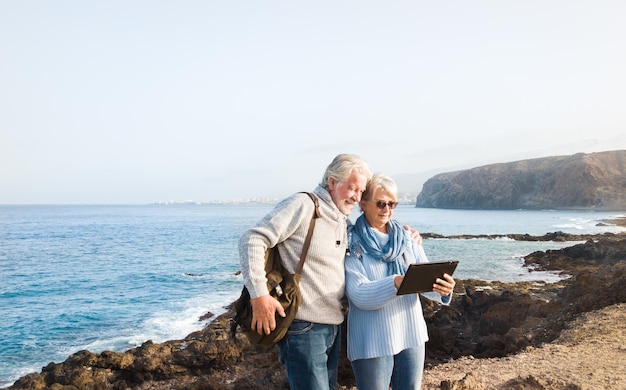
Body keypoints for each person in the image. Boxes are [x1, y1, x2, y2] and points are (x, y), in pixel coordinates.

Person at [238, 154, 422, 390]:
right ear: (333, 182)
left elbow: (374, 233)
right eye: (352, 188)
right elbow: (252, 239)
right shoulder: (303, 205)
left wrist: (408, 237)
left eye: (360, 191)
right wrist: (259, 295)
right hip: (303, 327)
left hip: (332, 325)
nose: (356, 197)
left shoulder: (342, 220)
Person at [344, 173, 456, 390]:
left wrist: (443, 289)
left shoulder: (406, 238)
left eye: (392, 203)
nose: (387, 209)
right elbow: (358, 294)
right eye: (380, 203)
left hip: (411, 333)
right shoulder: (352, 242)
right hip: (372, 340)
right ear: (363, 204)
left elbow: (425, 280)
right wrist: (395, 282)